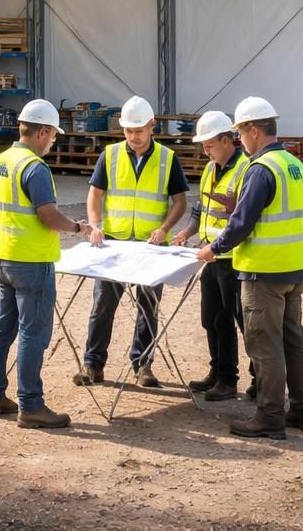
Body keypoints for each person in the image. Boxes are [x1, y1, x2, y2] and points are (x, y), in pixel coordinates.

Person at [196, 96, 303, 440]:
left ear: (253, 130)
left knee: (265, 346)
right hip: (294, 267)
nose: (240, 139)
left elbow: (241, 222)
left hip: (264, 272)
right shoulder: (293, 165)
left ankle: (269, 416)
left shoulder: (261, 168)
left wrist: (213, 248)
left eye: (240, 132)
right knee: (293, 340)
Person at [0, 98, 90, 430]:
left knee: (2, 329)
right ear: (42, 132)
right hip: (31, 261)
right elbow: (48, 216)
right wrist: (77, 228)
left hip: (3, 257)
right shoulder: (34, 167)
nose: (53, 142)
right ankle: (31, 406)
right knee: (33, 333)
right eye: (53, 135)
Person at [75, 95, 188, 388]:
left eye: (138, 130)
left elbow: (179, 202)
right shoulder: (110, 155)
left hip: (152, 246)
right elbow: (95, 194)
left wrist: (164, 229)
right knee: (102, 304)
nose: (133, 136)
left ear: (152, 126)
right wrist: (96, 225)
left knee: (148, 308)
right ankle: (93, 364)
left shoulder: (168, 159)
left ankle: (143, 365)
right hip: (115, 242)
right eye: (128, 130)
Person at [172, 110, 251, 401]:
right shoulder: (209, 169)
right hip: (210, 257)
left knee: (235, 321)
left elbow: (243, 217)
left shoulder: (245, 168)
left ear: (226, 140)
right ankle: (217, 372)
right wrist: (186, 232)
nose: (205, 150)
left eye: (209, 145)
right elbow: (200, 209)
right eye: (203, 145)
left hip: (233, 258)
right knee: (212, 319)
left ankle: (234, 380)